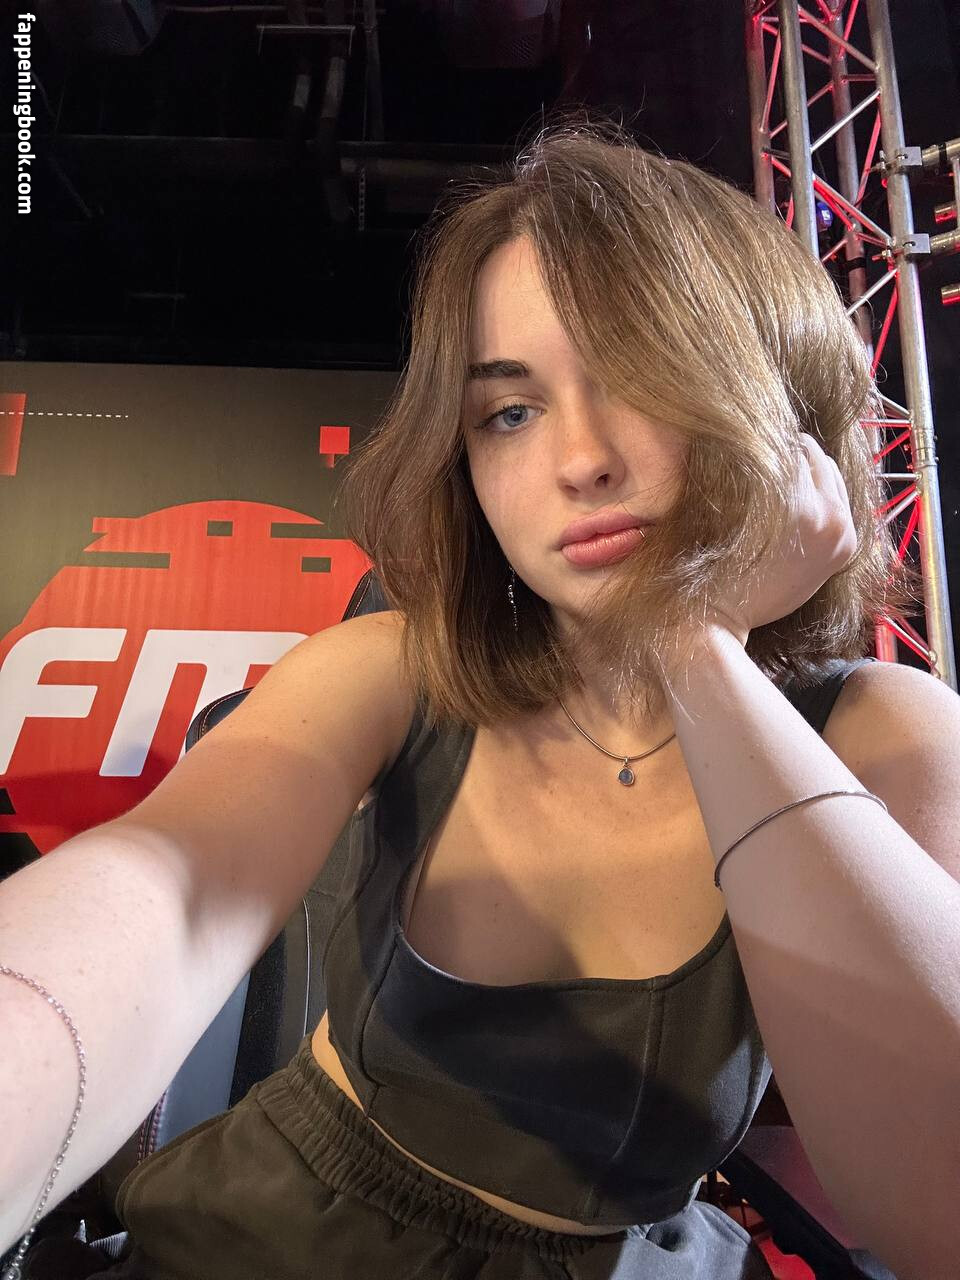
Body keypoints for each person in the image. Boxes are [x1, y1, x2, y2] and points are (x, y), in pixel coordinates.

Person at [0, 114, 929, 1280]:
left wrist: (695, 639)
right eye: (510, 412)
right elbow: (169, 886)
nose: (580, 460)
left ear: (780, 402)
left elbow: (934, 1202)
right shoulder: (397, 667)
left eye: (640, 375)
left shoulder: (886, 732)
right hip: (284, 1237)